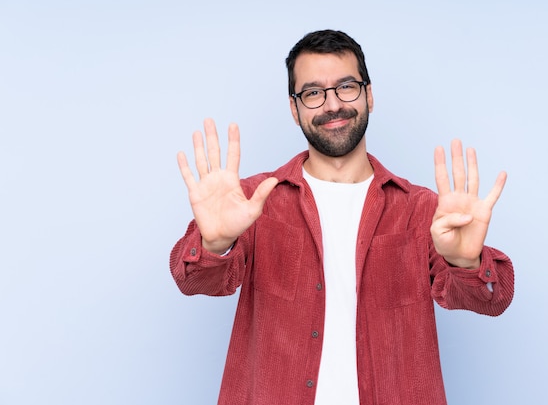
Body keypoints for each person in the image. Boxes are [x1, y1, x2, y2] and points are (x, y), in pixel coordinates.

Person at [170, 29, 514, 405]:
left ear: (369, 94)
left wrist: (465, 262)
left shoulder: (421, 210)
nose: (332, 104)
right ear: (294, 108)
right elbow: (192, 281)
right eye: (313, 92)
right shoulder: (252, 201)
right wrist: (215, 245)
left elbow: (492, 300)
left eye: (346, 86)